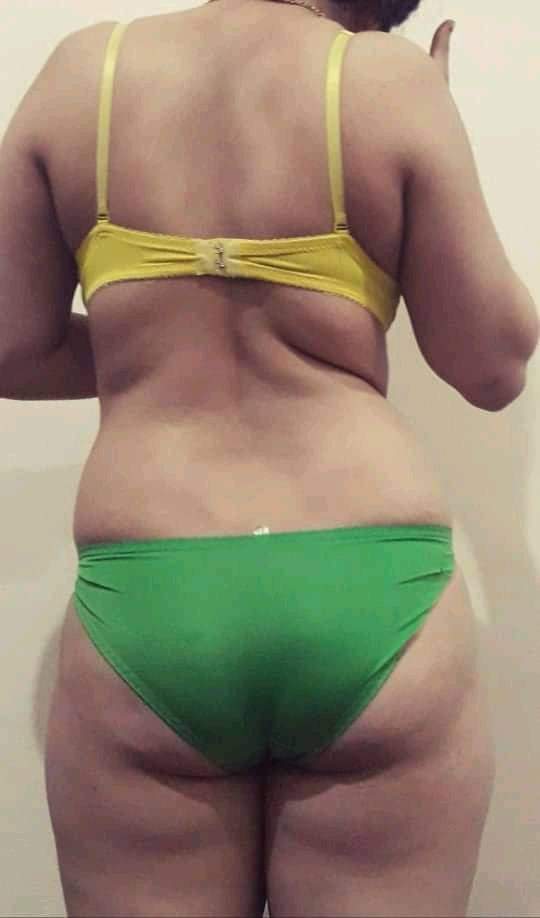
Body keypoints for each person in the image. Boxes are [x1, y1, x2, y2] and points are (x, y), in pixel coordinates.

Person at [38, 1, 538, 916]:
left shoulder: (80, 75)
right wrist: (432, 122)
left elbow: (9, 343)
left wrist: (148, 354)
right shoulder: (386, 84)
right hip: (368, 588)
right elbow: (493, 363)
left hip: (153, 591)